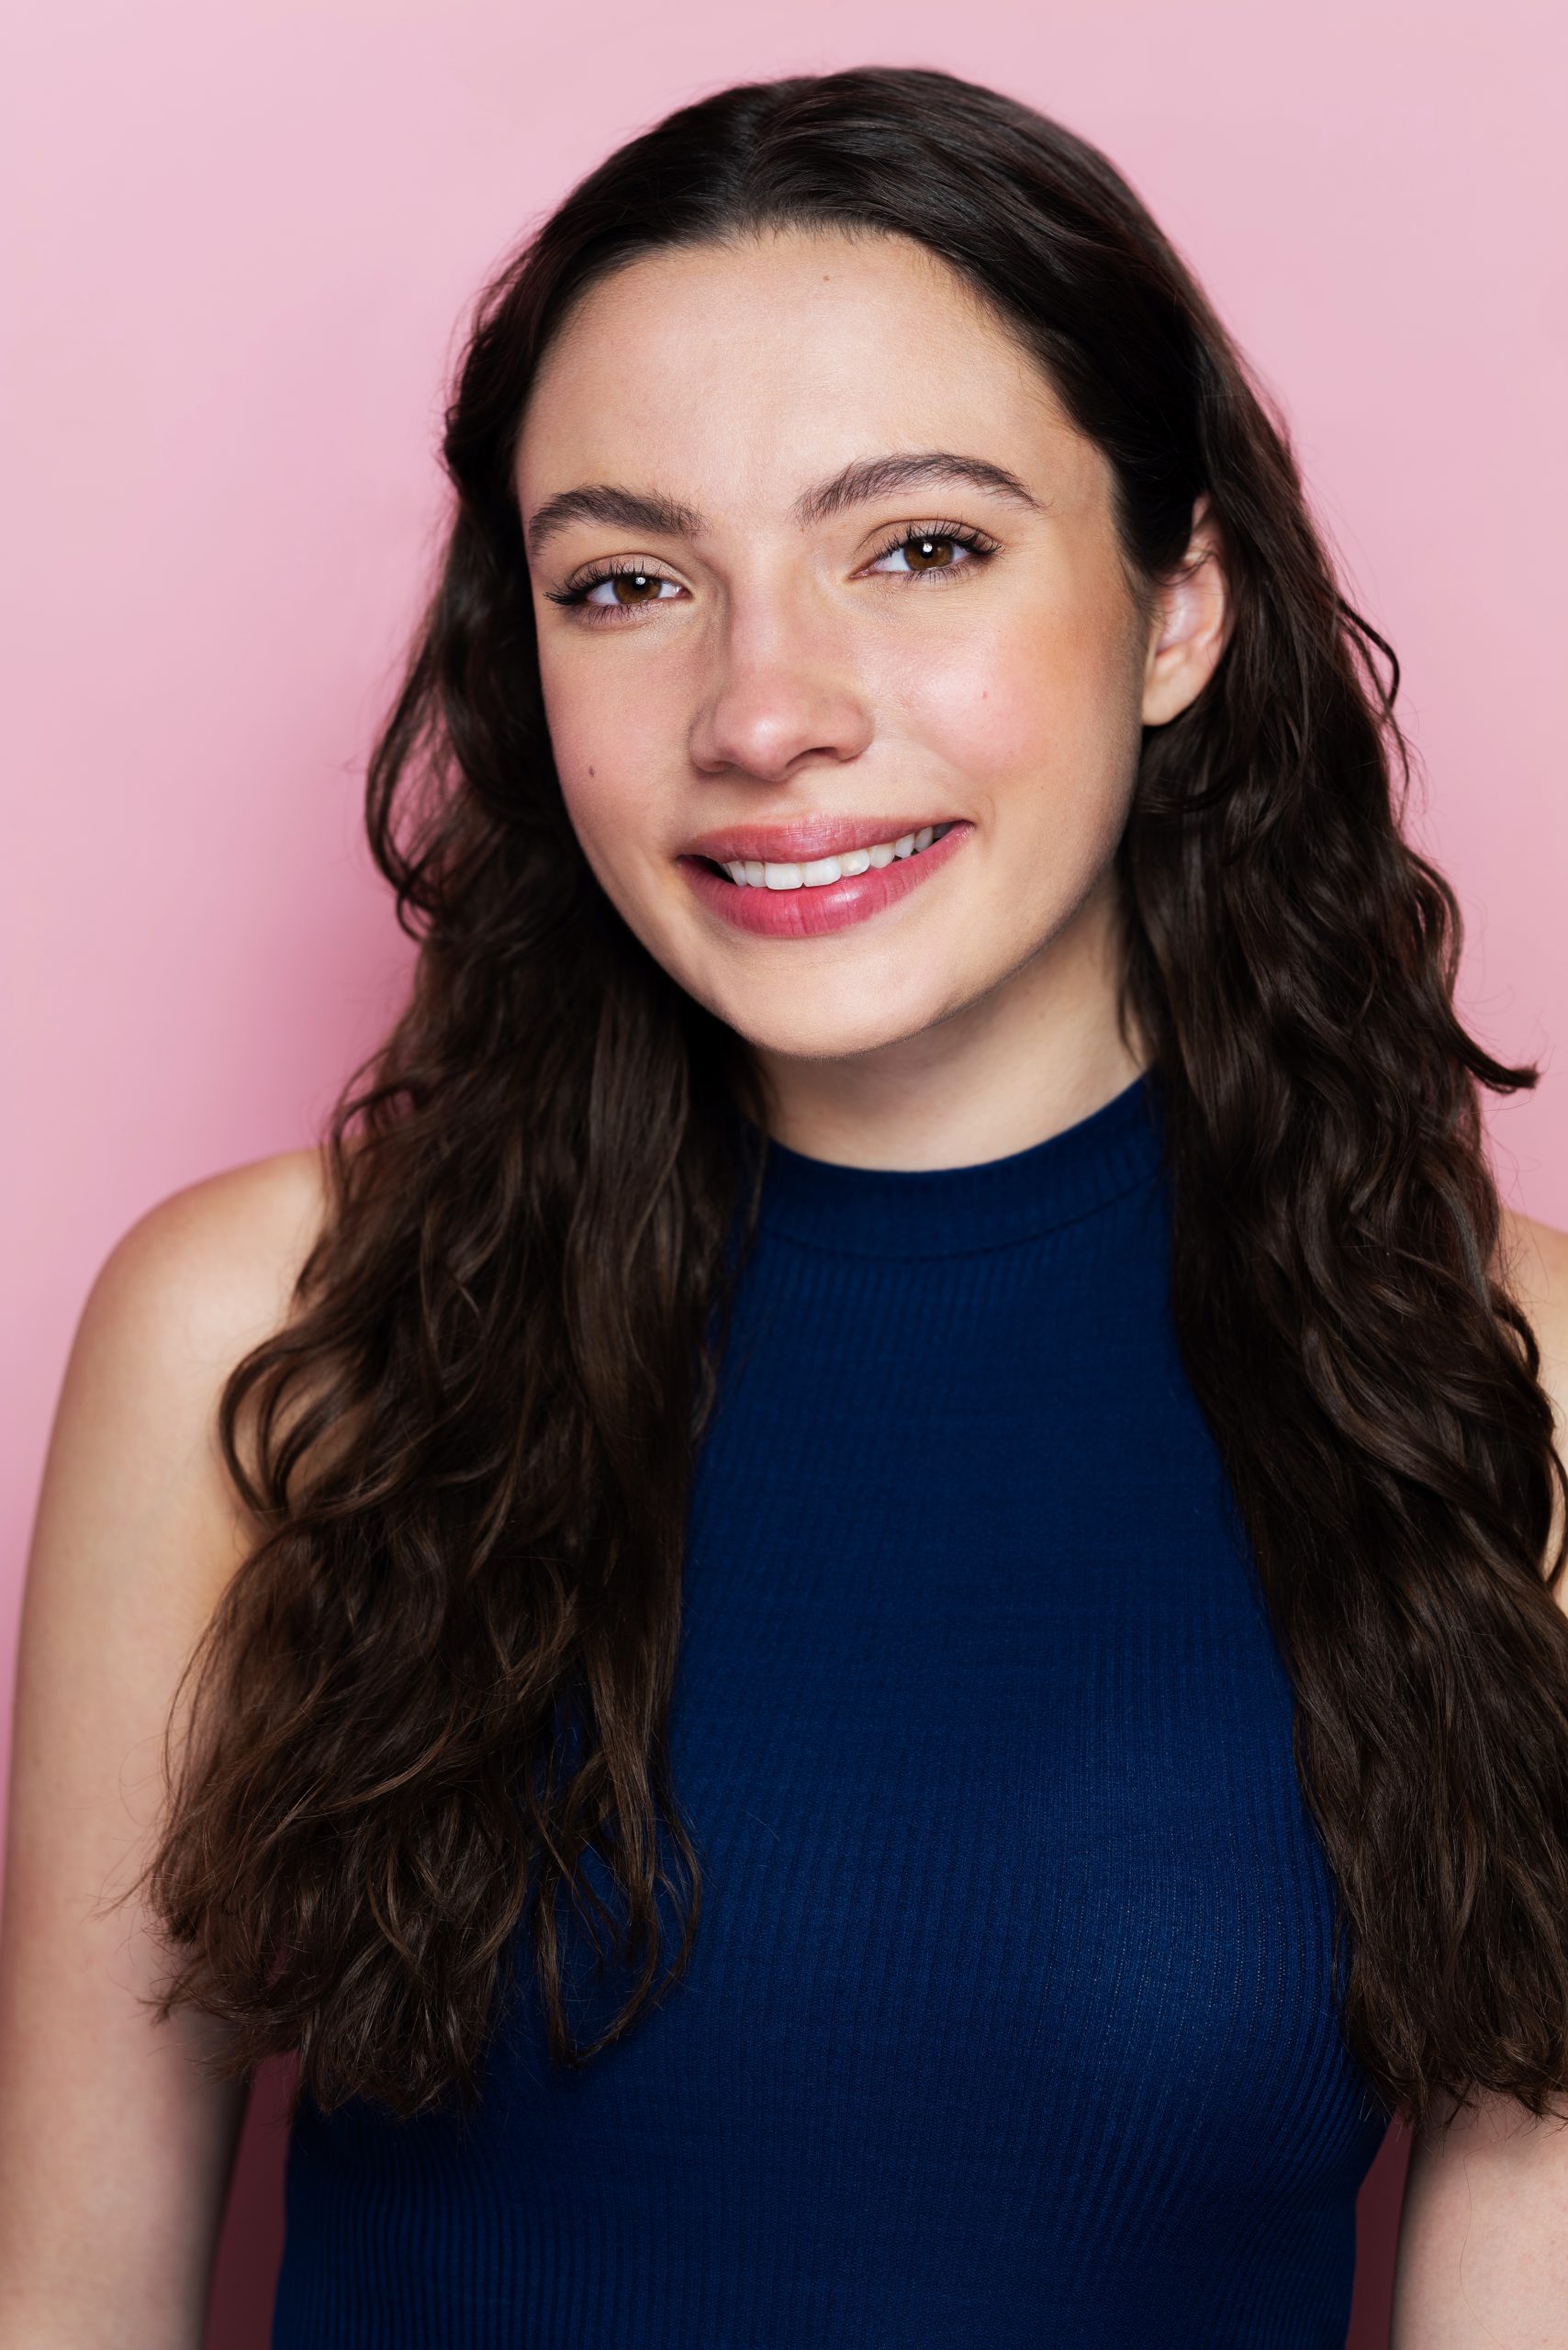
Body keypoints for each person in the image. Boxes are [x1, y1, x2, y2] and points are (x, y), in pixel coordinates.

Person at [3, 62, 1567, 2350]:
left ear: (1176, 608)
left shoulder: (1511, 1389)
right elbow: (62, 2302)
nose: (761, 710)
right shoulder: (262, 1338)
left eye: (917, 546)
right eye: (627, 582)